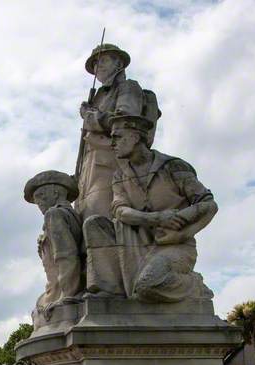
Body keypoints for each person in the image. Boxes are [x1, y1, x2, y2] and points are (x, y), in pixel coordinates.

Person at [84, 114, 217, 302]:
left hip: (173, 247)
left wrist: (183, 231)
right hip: (136, 242)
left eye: (118, 137)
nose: (113, 143)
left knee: (147, 286)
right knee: (94, 224)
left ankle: (194, 285)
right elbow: (120, 210)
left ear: (136, 137)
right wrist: (157, 218)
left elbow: (208, 204)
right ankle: (109, 288)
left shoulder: (172, 167)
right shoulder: (120, 176)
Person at [74, 44, 158, 222]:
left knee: (101, 217)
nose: (98, 66)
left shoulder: (128, 87)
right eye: (95, 63)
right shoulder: (100, 96)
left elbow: (125, 123)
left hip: (111, 163)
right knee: (85, 218)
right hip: (90, 166)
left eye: (103, 60)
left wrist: (89, 116)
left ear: (119, 64)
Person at [23, 170, 84, 321]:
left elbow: (66, 256)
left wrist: (66, 295)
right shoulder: (65, 215)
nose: (39, 203)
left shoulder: (55, 214)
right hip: (55, 290)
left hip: (63, 292)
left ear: (55, 193)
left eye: (40, 197)